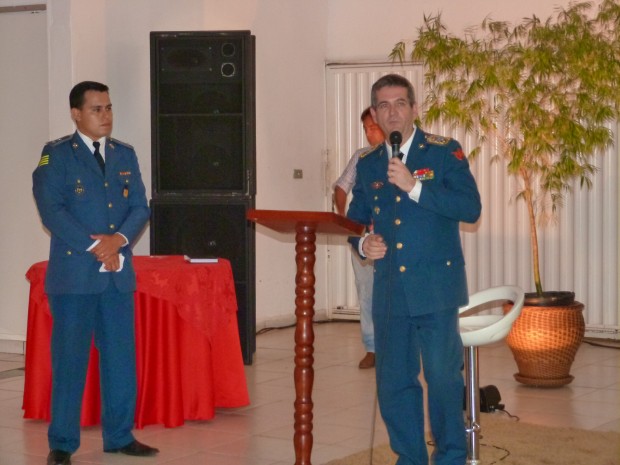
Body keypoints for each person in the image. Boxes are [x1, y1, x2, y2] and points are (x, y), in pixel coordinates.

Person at [346, 74, 481, 465]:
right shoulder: (368, 163)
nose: (393, 113)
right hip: (390, 291)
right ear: (374, 114)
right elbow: (354, 220)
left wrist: (415, 187)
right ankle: (410, 458)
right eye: (384, 106)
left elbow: (470, 208)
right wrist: (363, 244)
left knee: (442, 379)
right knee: (394, 382)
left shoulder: (443, 152)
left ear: (415, 109)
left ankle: (451, 457)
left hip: (436, 287)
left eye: (400, 103)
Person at [32, 81, 158, 465]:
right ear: (76, 114)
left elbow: (140, 207)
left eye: (109, 108)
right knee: (70, 362)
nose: (106, 115)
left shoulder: (124, 154)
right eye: (97, 109)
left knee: (120, 360)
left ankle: (119, 436)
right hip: (75, 276)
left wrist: (118, 240)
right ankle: (62, 443)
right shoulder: (56, 156)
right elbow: (52, 211)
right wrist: (96, 247)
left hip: (116, 275)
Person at [333, 107, 384, 369]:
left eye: (373, 128)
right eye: (365, 129)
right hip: (363, 237)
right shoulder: (361, 157)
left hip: (394, 238)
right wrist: (344, 219)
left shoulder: (404, 155)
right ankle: (372, 348)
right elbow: (341, 186)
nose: (369, 134)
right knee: (366, 292)